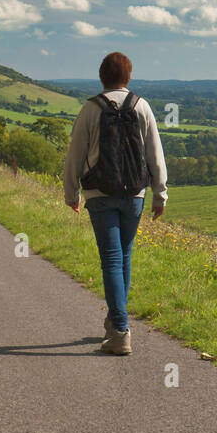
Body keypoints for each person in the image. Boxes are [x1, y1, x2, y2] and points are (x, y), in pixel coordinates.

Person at [63, 51, 167, 355]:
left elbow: (75, 156)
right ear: (128, 77)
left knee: (111, 257)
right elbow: (155, 155)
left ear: (101, 77)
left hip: (99, 194)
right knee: (123, 256)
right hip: (134, 193)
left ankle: (120, 330)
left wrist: (71, 195)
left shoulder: (90, 109)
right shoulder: (142, 106)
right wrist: (160, 194)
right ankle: (115, 320)